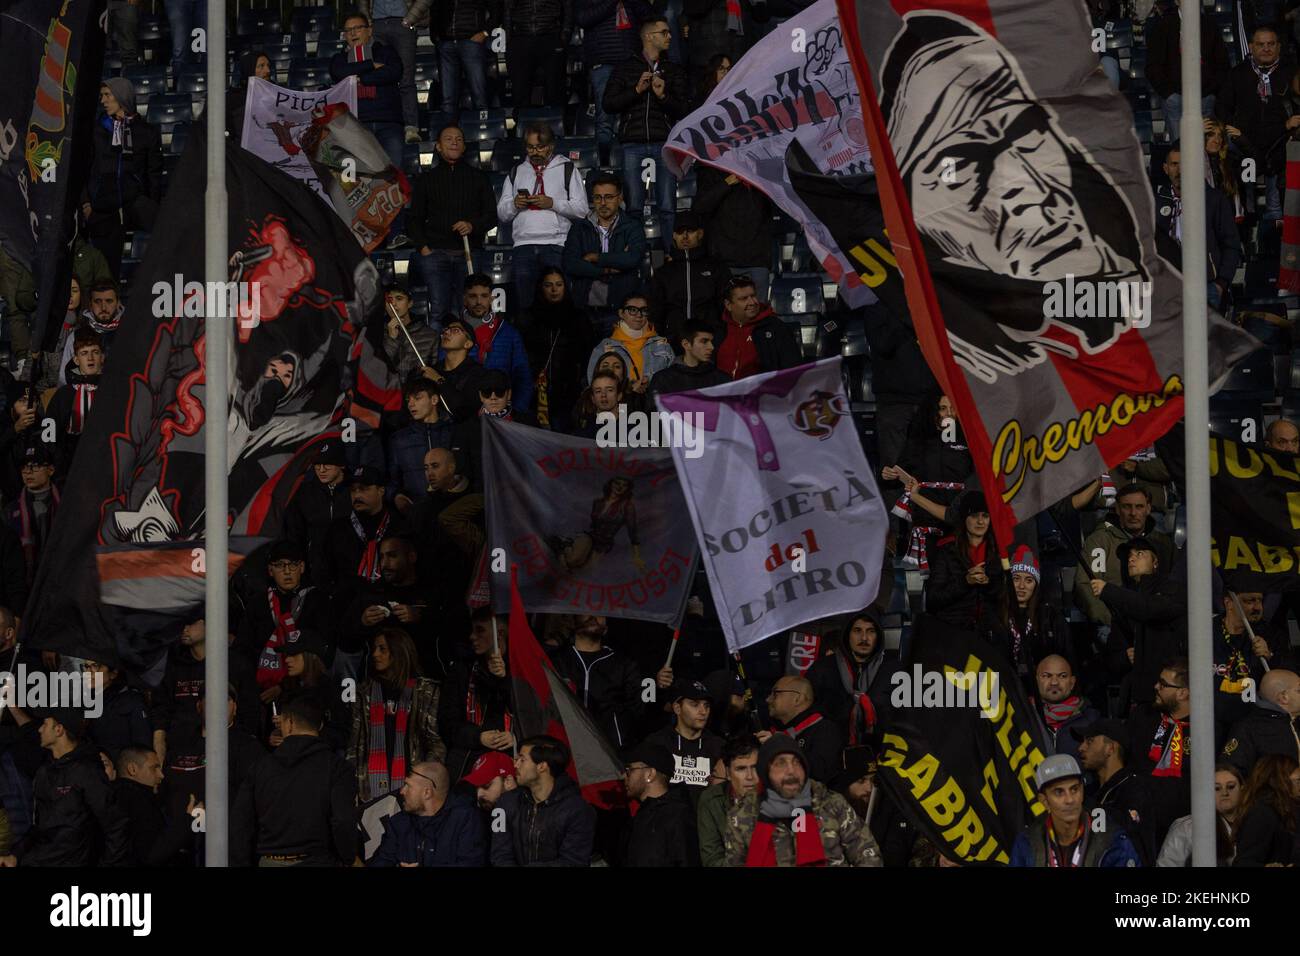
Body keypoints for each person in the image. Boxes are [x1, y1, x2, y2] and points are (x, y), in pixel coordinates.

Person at [231, 696, 358, 866]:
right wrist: (347, 859)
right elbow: (343, 821)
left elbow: (240, 825)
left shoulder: (259, 768)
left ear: (288, 723)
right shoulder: (338, 768)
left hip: (270, 861)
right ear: (320, 726)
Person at [725, 734, 883, 866]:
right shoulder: (742, 815)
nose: (791, 771)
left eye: (797, 762)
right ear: (765, 772)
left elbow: (869, 857)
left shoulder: (831, 803)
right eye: (780, 763)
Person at [602, 16, 690, 246]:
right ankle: (635, 253)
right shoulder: (626, 67)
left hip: (664, 144)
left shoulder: (673, 69)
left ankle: (672, 254)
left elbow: (684, 109)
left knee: (668, 207)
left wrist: (662, 96)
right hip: (632, 143)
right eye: (664, 32)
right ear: (649, 36)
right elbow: (608, 104)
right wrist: (636, 90)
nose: (670, 36)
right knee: (633, 208)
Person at [9, 708, 130, 866]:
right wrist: (15, 856)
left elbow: (116, 826)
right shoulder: (44, 771)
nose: (39, 729)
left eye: (45, 724)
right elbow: (40, 827)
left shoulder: (87, 771)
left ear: (59, 730)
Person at [409, 125, 499, 323]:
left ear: (465, 147)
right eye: (448, 139)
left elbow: (492, 216)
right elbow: (414, 219)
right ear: (438, 146)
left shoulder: (479, 178)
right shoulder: (426, 180)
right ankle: (437, 354)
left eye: (459, 139)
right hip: (435, 255)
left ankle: (468, 353)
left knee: (468, 311)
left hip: (470, 253)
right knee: (438, 310)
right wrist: (424, 249)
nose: (454, 142)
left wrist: (472, 225)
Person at [497, 123, 590, 312]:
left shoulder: (567, 169)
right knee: (526, 305)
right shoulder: (516, 172)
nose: (535, 152)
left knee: (558, 305)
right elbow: (502, 214)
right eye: (530, 147)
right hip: (523, 247)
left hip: (556, 245)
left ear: (551, 146)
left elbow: (582, 210)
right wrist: (515, 204)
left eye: (540, 147)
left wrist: (553, 203)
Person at [346, 628, 445, 802]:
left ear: (399, 651)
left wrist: (422, 779)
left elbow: (435, 743)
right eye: (374, 648)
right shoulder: (364, 693)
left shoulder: (424, 691)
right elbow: (355, 745)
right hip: (369, 789)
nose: (375, 654)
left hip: (413, 788)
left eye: (382, 649)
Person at [1215, 25, 1296, 227]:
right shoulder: (1237, 74)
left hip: (1280, 142)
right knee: (1246, 183)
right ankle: (1248, 224)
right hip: (1246, 144)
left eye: (1271, 44)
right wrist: (1230, 128)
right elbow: (1222, 107)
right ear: (1251, 46)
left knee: (1276, 191)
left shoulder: (1291, 72)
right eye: (1261, 44)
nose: (1266, 48)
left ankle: (1275, 231)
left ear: (1279, 47)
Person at [1095, 536, 1187, 712]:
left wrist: (1108, 590)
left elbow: (1149, 608)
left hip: (1172, 701)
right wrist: (1124, 656)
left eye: (1140, 553)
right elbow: (1111, 661)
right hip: (1138, 703)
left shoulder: (1175, 591)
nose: (1131, 558)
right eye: (1129, 555)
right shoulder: (1126, 604)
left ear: (1155, 562)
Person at [83, 79, 162, 276]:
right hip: (102, 208)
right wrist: (85, 204)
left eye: (108, 95)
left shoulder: (146, 132)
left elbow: (154, 173)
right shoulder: (95, 130)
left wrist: (150, 205)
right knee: (106, 274)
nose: (103, 100)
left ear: (122, 97)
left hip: (134, 203)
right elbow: (83, 170)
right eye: (102, 96)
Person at [1009, 754, 1141, 867]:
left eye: (1074, 789)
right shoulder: (1028, 841)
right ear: (1044, 800)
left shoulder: (1111, 840)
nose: (1070, 800)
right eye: (1059, 792)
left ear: (1083, 792)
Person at [1154, 144, 1241, 309]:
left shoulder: (1214, 200)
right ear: (1166, 168)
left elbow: (1231, 244)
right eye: (1174, 164)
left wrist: (1221, 283)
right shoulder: (1155, 201)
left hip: (1205, 286)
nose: (1180, 170)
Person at [1075, 485, 1174, 629]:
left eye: (1139, 507)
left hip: (1156, 624)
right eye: (1127, 507)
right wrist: (1113, 622)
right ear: (1117, 509)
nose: (1133, 513)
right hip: (1112, 624)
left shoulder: (1163, 543)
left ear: (1148, 509)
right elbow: (1085, 587)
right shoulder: (1100, 540)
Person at [490, 735, 596, 866]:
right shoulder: (505, 802)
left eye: (522, 760)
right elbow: (499, 854)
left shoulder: (578, 810)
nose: (515, 764)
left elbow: (573, 862)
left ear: (542, 766)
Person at [518, 269, 598, 433]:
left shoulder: (578, 318)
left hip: (569, 394)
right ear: (541, 288)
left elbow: (588, 355)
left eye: (559, 285)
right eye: (548, 285)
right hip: (534, 393)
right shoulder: (527, 318)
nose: (554, 290)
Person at [806, 608, 900, 746]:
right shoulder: (823, 668)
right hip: (833, 750)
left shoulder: (894, 669)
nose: (864, 638)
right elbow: (807, 711)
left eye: (871, 631)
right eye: (857, 631)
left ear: (879, 636)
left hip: (882, 751)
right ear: (847, 634)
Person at [438, 609, 513, 780]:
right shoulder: (461, 670)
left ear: (499, 633)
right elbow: (447, 721)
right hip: (467, 761)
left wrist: (516, 737)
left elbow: (534, 717)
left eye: (480, 630)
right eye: (472, 630)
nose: (472, 636)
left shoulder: (521, 669)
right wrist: (478, 737)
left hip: (508, 765)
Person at [563, 174, 648, 325]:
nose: (603, 203)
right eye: (597, 198)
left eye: (608, 197)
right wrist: (605, 270)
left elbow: (632, 258)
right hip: (585, 311)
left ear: (620, 198)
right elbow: (570, 263)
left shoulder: (632, 227)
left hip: (621, 312)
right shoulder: (579, 228)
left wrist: (595, 258)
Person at [549, 614, 642, 749]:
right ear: (573, 618)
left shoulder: (623, 664)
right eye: (586, 610)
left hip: (609, 750)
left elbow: (635, 709)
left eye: (600, 612)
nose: (593, 616)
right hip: (564, 747)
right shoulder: (556, 660)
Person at [368, 761, 488, 866]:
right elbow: (381, 861)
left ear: (427, 793)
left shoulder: (465, 819)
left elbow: (471, 863)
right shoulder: (398, 823)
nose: (402, 791)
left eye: (408, 786)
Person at [323, 465, 410, 610]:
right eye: (353, 490)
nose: (357, 495)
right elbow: (327, 570)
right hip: (350, 607)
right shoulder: (338, 529)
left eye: (364, 488)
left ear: (381, 490)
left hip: (393, 604)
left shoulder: (400, 526)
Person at [577, 0, 653, 164]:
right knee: (605, 119)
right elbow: (583, 19)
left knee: (635, 116)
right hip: (603, 61)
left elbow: (648, 15)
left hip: (632, 61)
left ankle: (629, 163)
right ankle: (604, 166)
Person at [331, 12, 406, 174]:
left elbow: (394, 72)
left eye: (358, 28)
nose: (353, 33)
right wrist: (371, 64)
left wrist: (360, 79)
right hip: (356, 125)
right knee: (360, 178)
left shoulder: (386, 51)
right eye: (348, 30)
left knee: (395, 177)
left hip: (388, 123)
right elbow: (338, 73)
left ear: (369, 31)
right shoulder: (339, 58)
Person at [1074, 717, 1154, 863]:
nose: (1081, 747)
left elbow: (1129, 826)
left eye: (1090, 741)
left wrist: (1086, 805)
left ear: (1110, 748)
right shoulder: (1089, 791)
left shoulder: (1135, 786)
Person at [992, 546, 1071, 689]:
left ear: (1036, 585)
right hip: (1002, 688)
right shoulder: (994, 614)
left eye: (1028, 580)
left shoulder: (1050, 616)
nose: (1021, 586)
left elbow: (1066, 658)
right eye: (1016, 579)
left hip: (1041, 691)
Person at [649, 210, 733, 345]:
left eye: (690, 231)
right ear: (674, 235)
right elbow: (656, 312)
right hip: (674, 343)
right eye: (680, 232)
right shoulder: (663, 273)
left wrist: (719, 336)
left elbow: (725, 307)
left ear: (700, 234)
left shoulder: (717, 268)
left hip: (710, 343)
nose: (685, 236)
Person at [925, 492, 1004, 634]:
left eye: (985, 516)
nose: (980, 522)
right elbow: (933, 600)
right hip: (953, 631)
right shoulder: (946, 551)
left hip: (989, 632)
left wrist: (989, 583)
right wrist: (965, 582)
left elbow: (1004, 597)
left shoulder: (998, 553)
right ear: (963, 518)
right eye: (974, 516)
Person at [1144, 0, 1228, 130]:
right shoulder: (1162, 25)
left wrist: (1211, 91)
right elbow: (1153, 65)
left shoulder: (1210, 25)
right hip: (1175, 97)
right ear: (1177, 1)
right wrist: (1169, 94)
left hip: (1205, 96)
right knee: (1179, 148)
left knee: (1205, 147)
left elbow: (1222, 64)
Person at [458, 274, 534, 412]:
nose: (478, 301)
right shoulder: (452, 333)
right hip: (465, 415)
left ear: (492, 298)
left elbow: (523, 376)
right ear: (465, 299)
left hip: (502, 415)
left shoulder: (509, 333)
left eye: (484, 296)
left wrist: (517, 411)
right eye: (473, 296)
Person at [359, 0, 431, 143]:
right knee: (379, 76)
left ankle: (411, 127)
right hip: (377, 24)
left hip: (402, 23)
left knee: (405, 78)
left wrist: (410, 18)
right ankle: (385, 123)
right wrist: (367, 21)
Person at [284, 439, 352, 590]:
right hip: (315, 573)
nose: (321, 469)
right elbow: (295, 536)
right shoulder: (303, 493)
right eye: (317, 465)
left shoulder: (356, 490)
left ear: (341, 464)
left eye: (327, 464)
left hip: (352, 570)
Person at [112, 746, 194, 866]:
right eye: (154, 768)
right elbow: (152, 852)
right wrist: (187, 821)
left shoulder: (114, 797)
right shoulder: (137, 801)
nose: (161, 775)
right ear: (132, 769)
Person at [642, 679, 724, 798]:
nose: (703, 711)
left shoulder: (719, 747)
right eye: (695, 704)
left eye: (706, 705)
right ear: (677, 708)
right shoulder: (657, 743)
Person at [1212, 588, 1272, 747]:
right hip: (1210, 720)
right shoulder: (1206, 631)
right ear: (1228, 603)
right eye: (1249, 601)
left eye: (1260, 600)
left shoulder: (1270, 633)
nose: (1257, 607)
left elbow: (1284, 679)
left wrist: (1269, 656)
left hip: (1250, 723)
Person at [622, 743, 699, 866]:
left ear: (650, 774)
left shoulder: (678, 816)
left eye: (629, 770)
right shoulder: (641, 814)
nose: (623, 776)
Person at [759, 676, 844, 785]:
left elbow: (821, 772)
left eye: (775, 693)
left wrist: (781, 747)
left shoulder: (825, 729)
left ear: (797, 699)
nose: (768, 699)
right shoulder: (772, 729)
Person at [713, 276, 801, 379]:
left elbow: (792, 370)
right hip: (723, 393)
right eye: (743, 299)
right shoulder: (718, 330)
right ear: (728, 305)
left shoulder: (776, 328)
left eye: (753, 296)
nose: (752, 302)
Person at [1157, 763, 1244, 866]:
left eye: (1230, 787)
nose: (1225, 793)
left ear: (1242, 788)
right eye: (1217, 788)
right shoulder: (1187, 827)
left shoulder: (1256, 822)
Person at [587, 292, 674, 395]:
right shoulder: (604, 347)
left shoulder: (662, 345)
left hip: (654, 406)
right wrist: (628, 388)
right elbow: (594, 386)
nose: (639, 315)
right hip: (620, 407)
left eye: (644, 310)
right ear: (621, 313)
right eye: (632, 310)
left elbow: (674, 381)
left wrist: (650, 381)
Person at [388, 378, 454, 511]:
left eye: (417, 398)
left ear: (434, 400)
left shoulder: (453, 431)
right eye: (408, 400)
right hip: (416, 514)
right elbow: (391, 481)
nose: (411, 404)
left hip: (451, 511)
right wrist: (396, 496)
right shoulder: (399, 439)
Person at [47, 328, 102, 477]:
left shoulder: (113, 392)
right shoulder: (63, 395)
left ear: (102, 357)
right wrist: (58, 461)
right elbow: (48, 434)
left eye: (95, 352)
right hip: (69, 467)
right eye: (84, 353)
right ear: (76, 360)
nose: (90, 358)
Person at [1222, 668, 1300, 773]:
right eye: (1299, 690)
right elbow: (1231, 771)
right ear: (1283, 697)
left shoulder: (1295, 722)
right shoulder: (1248, 728)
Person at [432, 0, 500, 115]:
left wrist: (484, 33)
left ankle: (480, 127)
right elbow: (435, 10)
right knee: (448, 98)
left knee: (479, 95)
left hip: (471, 42)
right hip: (446, 43)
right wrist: (436, 36)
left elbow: (497, 11)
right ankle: (449, 131)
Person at [1231, 754, 1300, 866]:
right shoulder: (1263, 813)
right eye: (1298, 781)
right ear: (1280, 779)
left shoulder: (1288, 809)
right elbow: (1246, 861)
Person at [7, 446, 60, 588]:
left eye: (35, 466)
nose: (28, 472)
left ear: (51, 470)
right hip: (24, 586)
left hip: (59, 583)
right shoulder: (10, 511)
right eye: (24, 467)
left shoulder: (67, 506)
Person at [1030, 655, 1098, 763]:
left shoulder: (1091, 719)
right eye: (1046, 676)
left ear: (1072, 682)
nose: (1054, 682)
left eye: (1062, 676)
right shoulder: (1023, 717)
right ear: (1036, 681)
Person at [505, 0, 572, 107]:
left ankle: (557, 122)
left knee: (555, 89)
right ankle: (521, 122)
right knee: (520, 91)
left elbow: (568, 8)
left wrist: (564, 36)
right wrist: (509, 40)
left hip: (550, 37)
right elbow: (507, 9)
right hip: (521, 38)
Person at [425, 318, 488, 422]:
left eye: (455, 330)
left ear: (468, 344)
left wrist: (439, 381)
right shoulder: (433, 371)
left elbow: (465, 410)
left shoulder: (477, 373)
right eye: (446, 329)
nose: (446, 332)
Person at [647, 319, 730, 396]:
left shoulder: (722, 380)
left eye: (711, 342)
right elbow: (654, 410)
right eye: (704, 341)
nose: (711, 347)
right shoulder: (662, 381)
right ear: (686, 344)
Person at [381, 283, 439, 385]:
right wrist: (391, 339)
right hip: (388, 393)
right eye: (389, 300)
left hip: (418, 394)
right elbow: (378, 369)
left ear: (410, 303)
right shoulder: (377, 333)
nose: (393, 304)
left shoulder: (430, 335)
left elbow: (434, 372)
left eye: (399, 298)